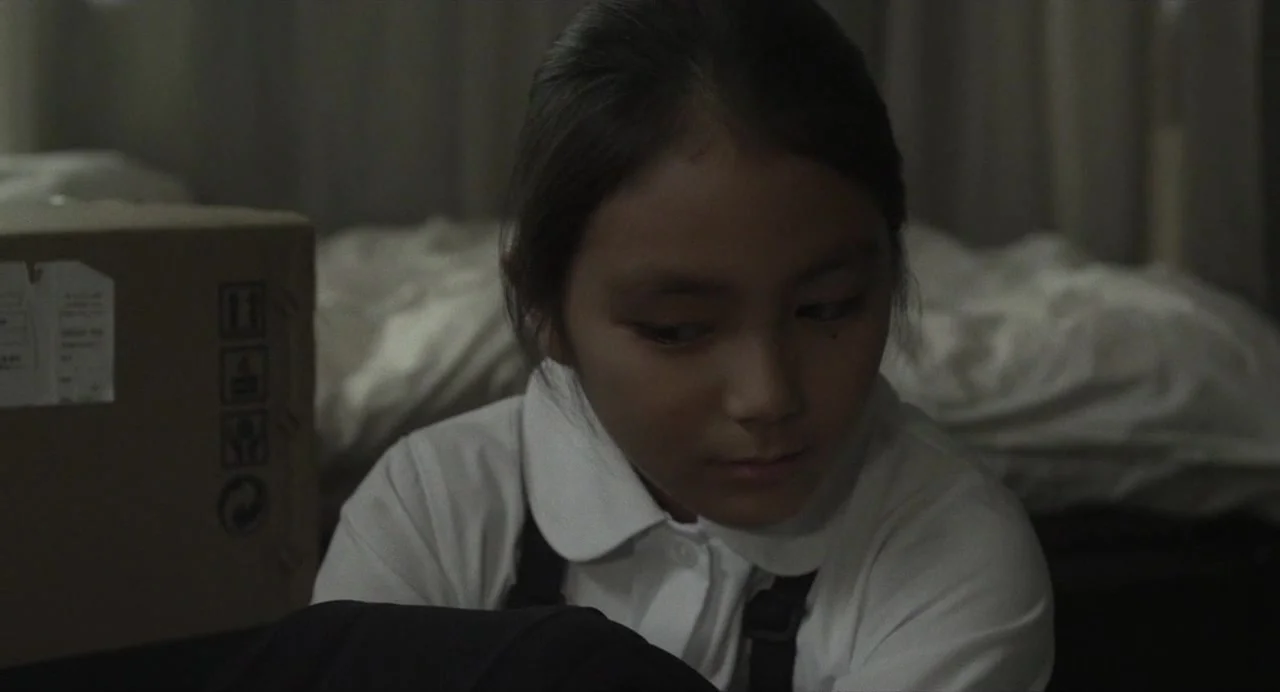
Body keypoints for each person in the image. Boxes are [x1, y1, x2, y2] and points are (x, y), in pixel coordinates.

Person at [314, 0, 1055, 690]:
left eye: (827, 309)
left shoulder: (951, 546)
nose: (767, 396)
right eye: (677, 330)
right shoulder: (433, 509)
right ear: (544, 308)